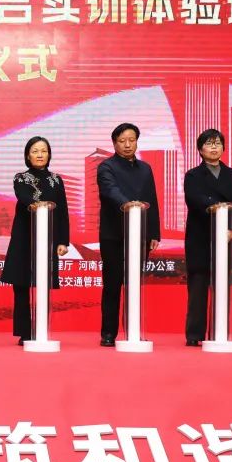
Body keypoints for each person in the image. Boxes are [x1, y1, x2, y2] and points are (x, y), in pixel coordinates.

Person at [0, 137, 70, 346]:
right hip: (24, 238)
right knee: (21, 285)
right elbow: (23, 197)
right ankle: (25, 332)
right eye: (35, 151)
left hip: (48, 239)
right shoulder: (21, 178)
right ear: (27, 155)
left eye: (44, 151)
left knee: (43, 283)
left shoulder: (56, 180)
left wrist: (63, 241)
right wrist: (36, 204)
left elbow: (62, 212)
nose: (40, 155)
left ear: (49, 154)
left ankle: (41, 328)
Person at [96, 122, 161, 347]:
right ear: (114, 143)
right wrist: (127, 203)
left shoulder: (145, 168)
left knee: (134, 284)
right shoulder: (106, 167)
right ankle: (108, 333)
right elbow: (110, 190)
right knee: (113, 285)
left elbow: (152, 200)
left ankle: (133, 331)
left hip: (140, 235)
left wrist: (154, 232)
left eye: (131, 140)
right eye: (122, 141)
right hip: (113, 235)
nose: (127, 145)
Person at [182, 129, 232, 347]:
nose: (214, 147)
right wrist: (216, 205)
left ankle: (220, 331)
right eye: (209, 144)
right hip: (201, 236)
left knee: (223, 288)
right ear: (200, 149)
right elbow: (194, 199)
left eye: (218, 143)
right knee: (198, 288)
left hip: (227, 237)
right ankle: (195, 334)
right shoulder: (193, 175)